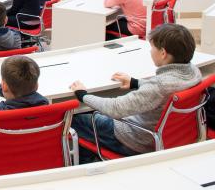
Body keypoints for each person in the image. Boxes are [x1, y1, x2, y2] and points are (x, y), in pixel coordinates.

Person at [69, 24, 200, 162]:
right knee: (93, 111)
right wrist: (136, 83)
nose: (150, 52)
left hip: (135, 140)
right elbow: (159, 89)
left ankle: (88, 163)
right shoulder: (193, 72)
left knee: (73, 117)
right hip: (171, 136)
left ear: (163, 53)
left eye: (152, 48)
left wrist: (83, 95)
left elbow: (115, 108)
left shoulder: (159, 86)